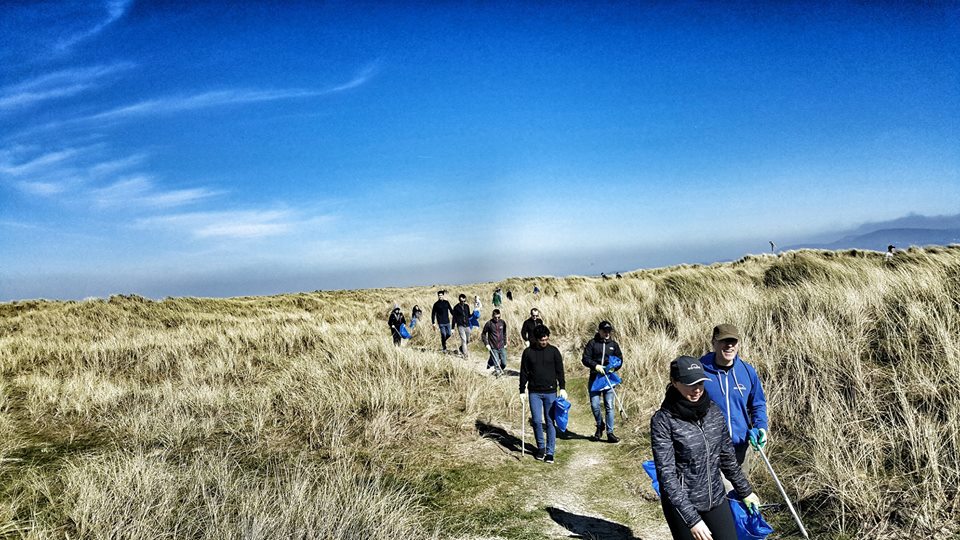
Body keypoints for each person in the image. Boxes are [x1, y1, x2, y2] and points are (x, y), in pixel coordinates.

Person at [651, 356, 761, 540]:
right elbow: (667, 476)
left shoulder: (713, 411)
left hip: (715, 497)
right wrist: (693, 520)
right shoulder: (663, 421)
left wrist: (746, 491)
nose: (697, 389)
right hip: (682, 504)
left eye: (700, 383)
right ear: (675, 382)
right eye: (690, 384)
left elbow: (727, 458)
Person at [699, 324, 769, 465]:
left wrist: (761, 427)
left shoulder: (747, 371)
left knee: (740, 480)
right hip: (709, 449)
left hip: (740, 448)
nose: (729, 345)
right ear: (714, 342)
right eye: (724, 341)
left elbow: (758, 404)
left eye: (733, 341)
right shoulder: (699, 371)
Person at [519, 325, 566, 464]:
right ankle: (541, 447)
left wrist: (562, 388)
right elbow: (523, 372)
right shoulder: (528, 352)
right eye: (542, 340)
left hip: (551, 391)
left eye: (546, 339)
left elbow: (560, 371)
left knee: (550, 422)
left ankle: (550, 452)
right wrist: (521, 390)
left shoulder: (554, 351)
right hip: (534, 392)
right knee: (536, 421)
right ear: (536, 339)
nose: (544, 342)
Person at [581, 321, 623, 443]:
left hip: (609, 379)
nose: (607, 333)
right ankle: (600, 425)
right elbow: (585, 358)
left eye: (609, 331)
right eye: (604, 331)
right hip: (595, 378)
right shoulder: (592, 343)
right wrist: (595, 366)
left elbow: (620, 359)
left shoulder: (614, 345)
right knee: (595, 405)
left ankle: (610, 433)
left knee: (609, 405)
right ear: (599, 331)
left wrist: (614, 367)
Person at [481, 308, 507, 375]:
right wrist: (486, 344)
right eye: (495, 317)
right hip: (493, 346)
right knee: (497, 363)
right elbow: (483, 334)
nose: (497, 319)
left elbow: (504, 333)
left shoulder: (502, 322)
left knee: (504, 363)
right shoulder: (489, 324)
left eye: (499, 317)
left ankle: (492, 364)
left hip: (501, 346)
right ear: (492, 316)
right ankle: (497, 372)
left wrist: (505, 342)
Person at [452, 293, 473, 358]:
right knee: (463, 340)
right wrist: (452, 328)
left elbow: (468, 315)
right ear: (459, 300)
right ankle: (465, 355)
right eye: (461, 301)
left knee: (468, 340)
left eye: (464, 301)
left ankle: (461, 348)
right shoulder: (456, 307)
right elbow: (454, 318)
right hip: (460, 326)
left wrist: (474, 314)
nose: (463, 302)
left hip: (467, 325)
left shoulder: (467, 306)